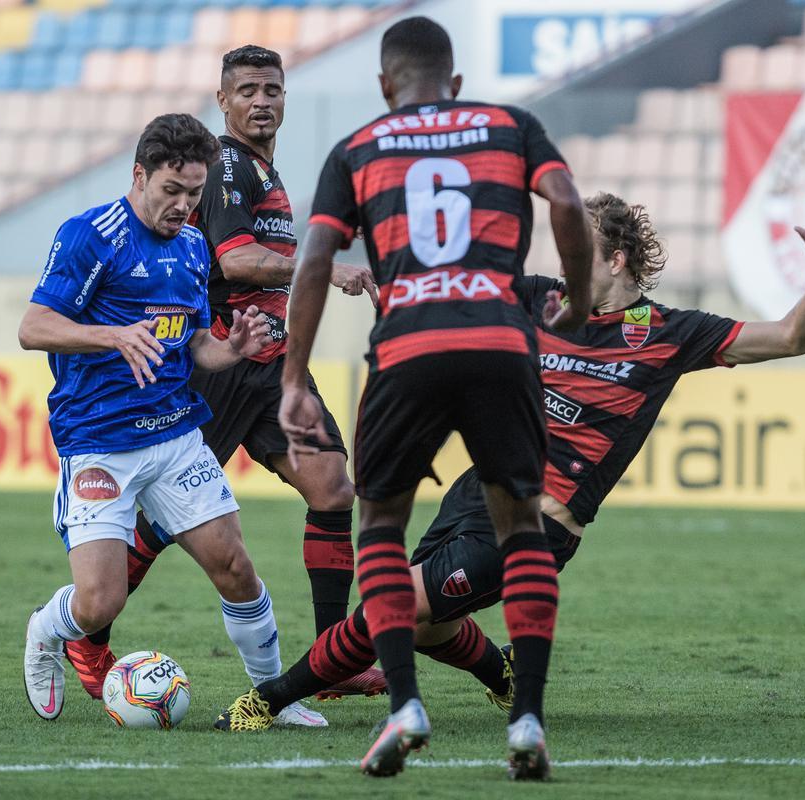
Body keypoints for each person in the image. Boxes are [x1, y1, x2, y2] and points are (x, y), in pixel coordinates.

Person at [214, 192, 805, 782]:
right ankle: (503, 676)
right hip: (473, 492)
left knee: (393, 606)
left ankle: (266, 701)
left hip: (536, 524)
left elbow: (792, 337)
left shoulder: (671, 333)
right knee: (428, 624)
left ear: (616, 260)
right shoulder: (542, 299)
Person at [271, 16, 594, 778]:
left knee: (381, 522)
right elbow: (570, 205)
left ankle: (405, 706)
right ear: (453, 83)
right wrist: (577, 307)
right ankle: (528, 722)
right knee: (520, 526)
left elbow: (316, 255)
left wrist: (292, 377)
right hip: (498, 341)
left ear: (386, 86)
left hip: (408, 346)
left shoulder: (359, 147)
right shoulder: (512, 125)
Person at [61, 45, 384, 719]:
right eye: (248, 91)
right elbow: (237, 263)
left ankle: (330, 659)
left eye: (273, 89)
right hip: (220, 362)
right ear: (224, 100)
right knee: (167, 515)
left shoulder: (260, 167)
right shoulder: (226, 164)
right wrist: (325, 267)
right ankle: (89, 638)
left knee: (331, 489)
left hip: (269, 366)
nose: (262, 100)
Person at [19, 113, 294, 723]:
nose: (184, 205)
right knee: (98, 603)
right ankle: (45, 630)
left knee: (236, 567)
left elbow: (196, 347)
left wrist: (235, 349)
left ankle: (275, 697)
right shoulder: (91, 234)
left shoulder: (194, 246)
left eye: (194, 193)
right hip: (98, 441)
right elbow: (33, 328)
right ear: (139, 175)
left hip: (174, 434)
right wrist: (111, 336)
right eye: (172, 191)